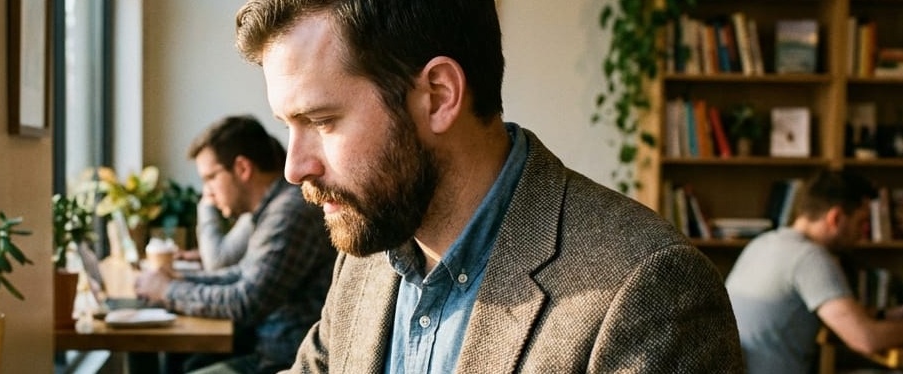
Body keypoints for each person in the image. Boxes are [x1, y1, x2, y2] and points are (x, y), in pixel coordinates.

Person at [233, 0, 743, 372]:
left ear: (438, 96)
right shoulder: (370, 248)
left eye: (322, 122)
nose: (294, 168)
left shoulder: (647, 288)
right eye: (287, 126)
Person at [134, 115, 336, 374]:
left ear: (242, 168)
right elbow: (241, 274)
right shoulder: (272, 209)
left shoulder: (290, 212)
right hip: (266, 349)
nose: (207, 192)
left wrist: (168, 290)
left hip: (284, 362)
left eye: (211, 178)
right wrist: (179, 281)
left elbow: (245, 301)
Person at [726, 171, 903, 373]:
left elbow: (834, 314)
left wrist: (885, 315)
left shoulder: (764, 243)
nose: (862, 234)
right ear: (835, 218)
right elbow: (866, 339)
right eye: (860, 222)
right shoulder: (810, 258)